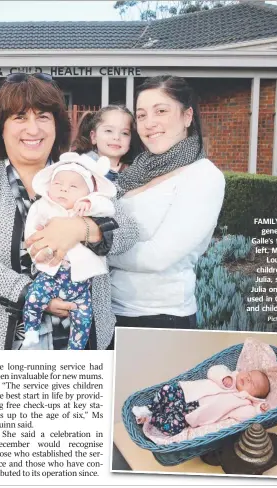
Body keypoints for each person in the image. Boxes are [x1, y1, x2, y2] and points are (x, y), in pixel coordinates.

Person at [0, 73, 138, 350]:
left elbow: (128, 230)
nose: (33, 129)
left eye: (43, 116)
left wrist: (83, 228)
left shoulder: (78, 173)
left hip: (79, 342)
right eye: (20, 117)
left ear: (56, 125)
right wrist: (33, 295)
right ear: (2, 127)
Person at [109, 75, 226, 337]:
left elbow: (158, 256)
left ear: (187, 117)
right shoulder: (137, 170)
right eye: (141, 115)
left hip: (158, 318)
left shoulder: (203, 176)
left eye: (161, 111)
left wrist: (90, 246)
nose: (149, 123)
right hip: (109, 310)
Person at [22, 152, 117, 350]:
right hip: (51, 275)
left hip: (80, 282)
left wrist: (89, 204)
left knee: (83, 317)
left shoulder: (87, 207)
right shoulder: (43, 206)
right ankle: (30, 331)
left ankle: (76, 349)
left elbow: (109, 208)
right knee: (33, 297)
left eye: (73, 186)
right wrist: (40, 245)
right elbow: (31, 230)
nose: (63, 189)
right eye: (58, 184)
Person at [132, 365, 270, 436]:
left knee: (172, 427)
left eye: (253, 383)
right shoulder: (230, 375)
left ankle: (151, 418)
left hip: (190, 414)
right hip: (186, 393)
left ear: (254, 396)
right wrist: (224, 377)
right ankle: (151, 407)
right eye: (250, 374)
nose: (248, 378)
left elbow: (248, 415)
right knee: (167, 389)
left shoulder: (243, 403)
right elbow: (212, 371)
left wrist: (259, 408)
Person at [72, 105, 142, 181]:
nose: (116, 137)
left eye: (124, 133)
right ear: (94, 137)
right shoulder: (80, 168)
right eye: (108, 131)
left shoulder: (136, 171)